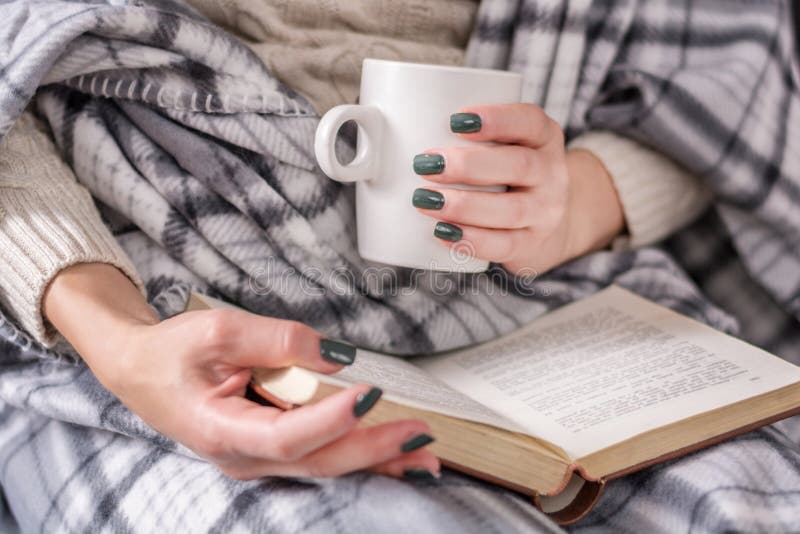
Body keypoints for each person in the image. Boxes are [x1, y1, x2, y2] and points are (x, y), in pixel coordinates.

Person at [4, 0, 787, 531]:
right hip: (156, 312)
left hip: (543, 296)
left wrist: (573, 203)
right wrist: (121, 340)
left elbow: (727, 74)